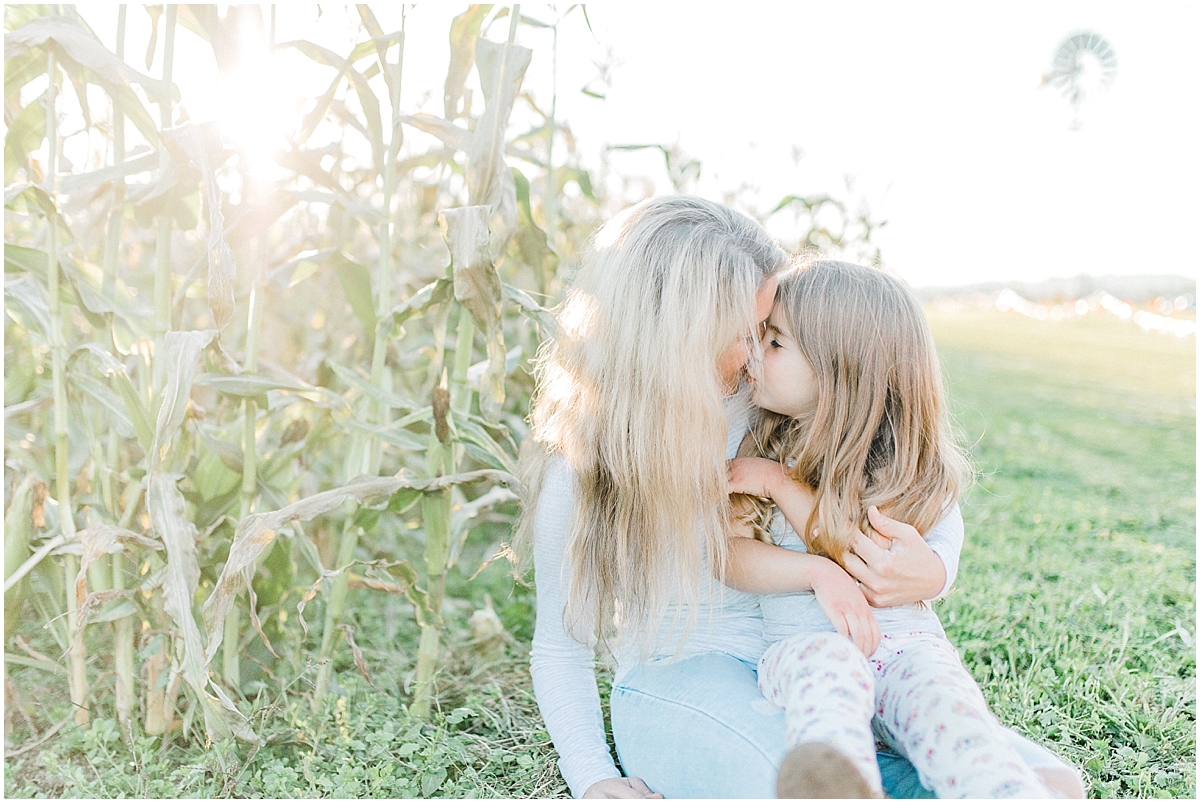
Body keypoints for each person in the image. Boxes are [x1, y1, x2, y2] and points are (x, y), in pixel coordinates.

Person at [517, 196, 1082, 798]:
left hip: (838, 669)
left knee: (1048, 783)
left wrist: (934, 570)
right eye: (744, 334)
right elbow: (558, 649)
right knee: (794, 784)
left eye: (769, 332)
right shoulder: (584, 467)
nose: (759, 355)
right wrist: (592, 776)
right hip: (690, 673)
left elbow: (889, 464)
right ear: (677, 336)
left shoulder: (767, 401)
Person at [725, 260, 1078, 797]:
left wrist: (780, 486)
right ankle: (836, 784)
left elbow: (860, 550)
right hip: (804, 651)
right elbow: (731, 557)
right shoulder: (761, 445)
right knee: (829, 672)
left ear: (842, 369)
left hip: (907, 655)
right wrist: (813, 569)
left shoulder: (910, 472)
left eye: (775, 344)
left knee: (947, 710)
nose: (755, 354)